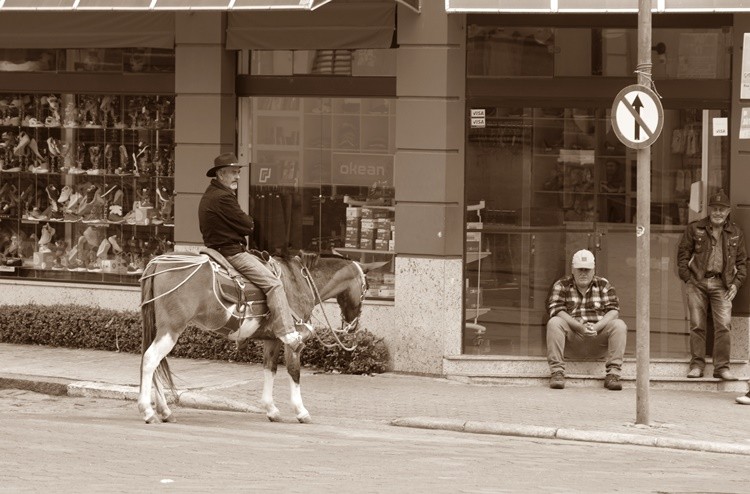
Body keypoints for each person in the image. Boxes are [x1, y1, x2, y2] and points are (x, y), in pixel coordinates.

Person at [198, 153, 312, 352]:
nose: (238, 177)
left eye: (238, 172)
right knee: (274, 284)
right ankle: (287, 333)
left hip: (215, 250)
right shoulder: (224, 197)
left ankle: (246, 330)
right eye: (233, 172)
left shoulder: (210, 193)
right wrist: (247, 223)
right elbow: (248, 225)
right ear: (221, 174)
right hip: (231, 252)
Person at [677, 189, 747, 380]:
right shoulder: (695, 228)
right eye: (714, 209)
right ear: (709, 210)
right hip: (697, 282)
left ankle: (722, 368)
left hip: (722, 284)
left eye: (721, 209)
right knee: (697, 325)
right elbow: (682, 255)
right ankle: (697, 366)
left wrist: (736, 284)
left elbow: (742, 262)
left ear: (728, 211)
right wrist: (688, 278)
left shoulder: (736, 232)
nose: (718, 213)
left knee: (723, 326)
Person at [546, 249, 627, 391]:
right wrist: (579, 327)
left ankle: (613, 375)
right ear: (573, 269)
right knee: (554, 322)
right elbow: (556, 310)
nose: (583, 273)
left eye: (587, 269)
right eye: (579, 269)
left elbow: (614, 310)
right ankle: (557, 373)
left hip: (598, 337)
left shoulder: (604, 285)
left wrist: (596, 327)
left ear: (593, 270)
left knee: (619, 325)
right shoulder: (561, 284)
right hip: (572, 339)